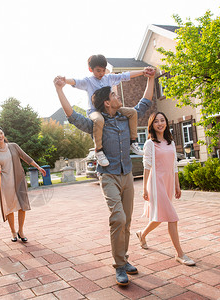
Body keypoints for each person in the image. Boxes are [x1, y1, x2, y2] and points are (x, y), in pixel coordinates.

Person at [53, 69, 156, 286]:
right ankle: (119, 266)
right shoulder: (95, 123)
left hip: (127, 174)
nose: (118, 97)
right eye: (114, 96)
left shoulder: (125, 118)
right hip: (108, 176)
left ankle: (124, 259)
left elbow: (145, 103)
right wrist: (59, 90)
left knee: (126, 221)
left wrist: (151, 79)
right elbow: (72, 115)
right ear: (107, 103)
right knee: (117, 218)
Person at [63, 54, 152, 166]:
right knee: (99, 121)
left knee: (132, 112)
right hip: (95, 111)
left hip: (110, 108)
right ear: (91, 69)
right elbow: (76, 81)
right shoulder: (88, 81)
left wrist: (143, 72)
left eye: (103, 70)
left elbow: (125, 75)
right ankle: (99, 151)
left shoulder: (109, 78)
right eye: (98, 71)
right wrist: (64, 80)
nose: (101, 73)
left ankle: (133, 141)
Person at [136, 112, 195, 266]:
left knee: (159, 217)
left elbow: (174, 165)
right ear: (152, 125)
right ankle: (180, 254)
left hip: (167, 182)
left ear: (166, 123)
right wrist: (144, 189)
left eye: (162, 120)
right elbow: (147, 167)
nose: (160, 123)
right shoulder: (150, 144)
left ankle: (142, 234)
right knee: (172, 217)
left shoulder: (170, 142)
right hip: (155, 183)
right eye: (156, 121)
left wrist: (177, 185)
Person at [0, 126, 46, 243]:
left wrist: (38, 167)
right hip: (6, 184)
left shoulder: (14, 146)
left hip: (19, 181)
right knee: (9, 209)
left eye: (1, 133)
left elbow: (26, 157)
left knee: (22, 206)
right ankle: (13, 232)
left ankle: (21, 231)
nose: (0, 135)